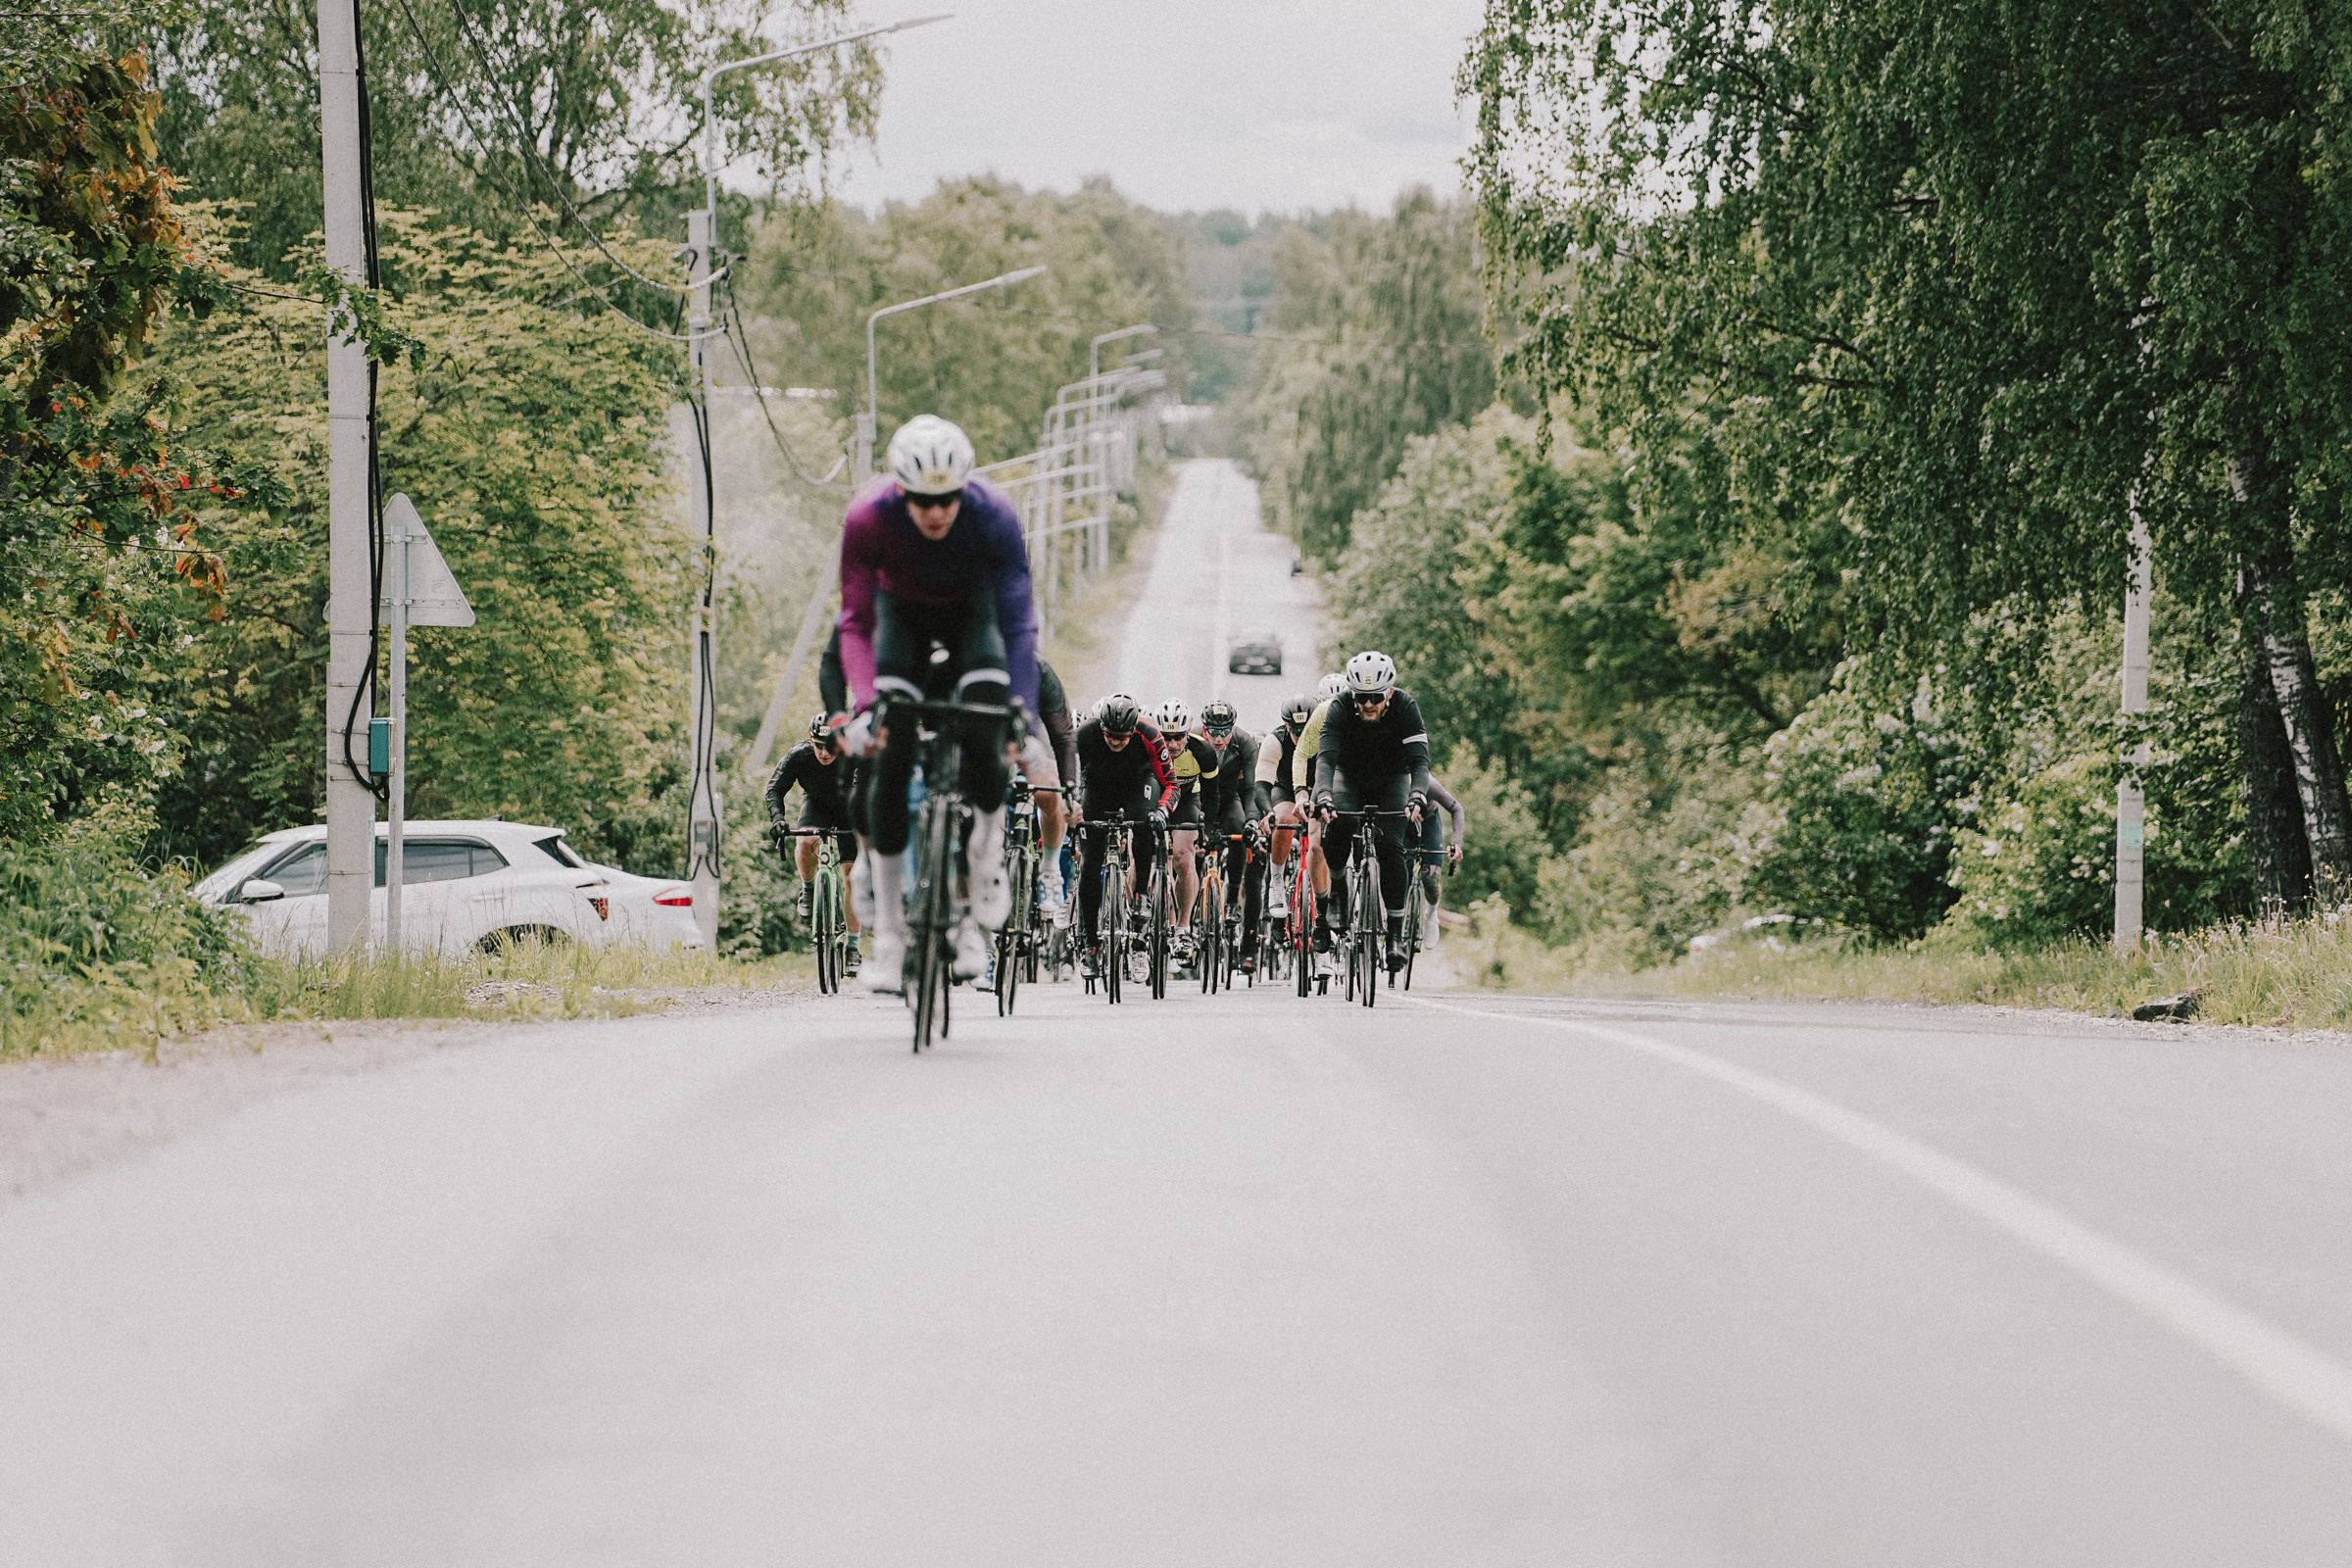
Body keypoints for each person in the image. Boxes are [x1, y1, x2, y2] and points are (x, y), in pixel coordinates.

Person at [833, 415, 1038, 994]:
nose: (937, 512)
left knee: (988, 731)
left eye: (948, 499)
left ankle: (982, 864)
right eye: (923, 501)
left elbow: (1019, 618)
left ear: (964, 489)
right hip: (901, 622)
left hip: (976, 617)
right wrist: (866, 704)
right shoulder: (868, 517)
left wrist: (1019, 707)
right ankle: (891, 936)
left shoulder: (993, 513)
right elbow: (855, 621)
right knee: (890, 757)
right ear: (900, 490)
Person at [1311, 651, 1431, 973]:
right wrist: (1323, 795)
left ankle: (1394, 935)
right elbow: (1325, 760)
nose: (1368, 705)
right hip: (1347, 777)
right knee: (1337, 821)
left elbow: (1420, 763)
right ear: (1352, 694)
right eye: (1361, 698)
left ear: (1389, 692)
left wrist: (1417, 795)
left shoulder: (1406, 707)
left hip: (1391, 780)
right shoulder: (1338, 709)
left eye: (1375, 697)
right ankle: (1337, 890)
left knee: (1392, 847)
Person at [1070, 694, 1178, 977]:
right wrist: (1071, 804)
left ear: (1133, 730)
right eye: (1110, 737)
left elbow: (1171, 784)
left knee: (1145, 825)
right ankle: (1090, 946)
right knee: (1090, 863)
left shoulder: (1149, 735)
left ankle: (1141, 893)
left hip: (1138, 786)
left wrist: (1162, 812)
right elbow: (1067, 776)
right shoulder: (1086, 735)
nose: (1116, 742)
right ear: (1101, 727)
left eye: (1122, 738)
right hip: (1097, 789)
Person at [763, 712, 864, 974]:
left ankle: (853, 946)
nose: (824, 753)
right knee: (806, 840)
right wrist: (778, 820)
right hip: (816, 805)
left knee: (851, 876)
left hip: (847, 809)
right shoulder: (799, 755)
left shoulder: (852, 755)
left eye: (829, 747)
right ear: (811, 740)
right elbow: (775, 788)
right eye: (818, 746)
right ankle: (809, 889)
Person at [1198, 699, 1270, 970]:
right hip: (1201, 801)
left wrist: (1253, 821)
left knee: (1240, 833)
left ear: (1233, 728)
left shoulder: (1244, 743)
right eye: (1213, 732)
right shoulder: (1193, 739)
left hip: (1229, 800)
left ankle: (1231, 902)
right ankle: (1191, 909)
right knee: (1192, 846)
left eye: (1224, 732)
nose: (1218, 739)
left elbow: (1251, 789)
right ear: (1204, 728)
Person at [1153, 697, 1222, 962]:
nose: (1172, 744)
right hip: (1155, 795)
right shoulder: (1148, 747)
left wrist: (1210, 830)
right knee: (1142, 854)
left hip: (1186, 800)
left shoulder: (1203, 751)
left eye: (1179, 737)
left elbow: (1212, 795)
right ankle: (1142, 908)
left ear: (1189, 732)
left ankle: (1183, 927)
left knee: (1183, 855)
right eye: (1166, 737)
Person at [1415, 773, 1466, 948]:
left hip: (1429, 822)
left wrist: (1456, 843)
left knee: (1430, 879)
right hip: (1402, 822)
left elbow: (1456, 808)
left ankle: (1431, 914)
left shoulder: (1430, 785)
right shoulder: (1391, 779)